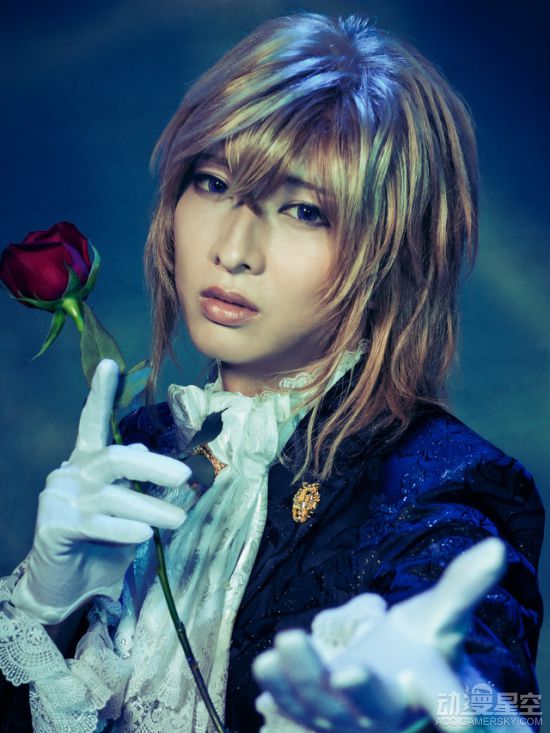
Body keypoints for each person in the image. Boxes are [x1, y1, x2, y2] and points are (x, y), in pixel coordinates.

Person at [0, 12, 543, 733]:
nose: (233, 249)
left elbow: (495, 684)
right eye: (213, 182)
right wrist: (49, 604)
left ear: (393, 253)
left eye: (304, 210)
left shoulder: (442, 484)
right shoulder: (140, 447)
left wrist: (442, 708)